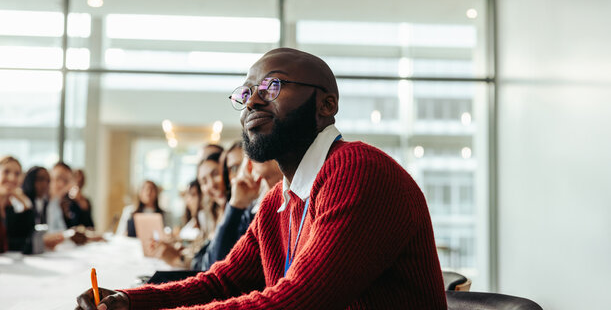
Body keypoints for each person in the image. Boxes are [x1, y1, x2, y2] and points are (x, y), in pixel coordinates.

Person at [75, 48, 447, 309]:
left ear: (326, 105)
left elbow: (296, 301)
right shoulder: (276, 203)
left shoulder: (358, 170)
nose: (252, 101)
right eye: (247, 92)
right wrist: (128, 301)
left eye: (272, 86)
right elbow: (222, 283)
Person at [0, 156, 35, 253]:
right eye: (6, 172)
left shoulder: (10, 207)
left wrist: (24, 201)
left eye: (17, 174)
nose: (12, 178)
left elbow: (27, 237)